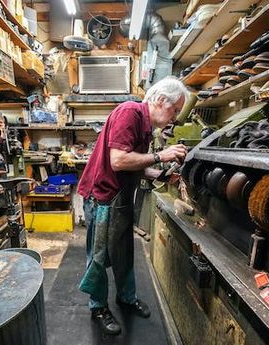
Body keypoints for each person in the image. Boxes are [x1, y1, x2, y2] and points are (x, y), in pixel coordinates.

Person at [77, 76, 189, 335]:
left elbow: (135, 164)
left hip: (122, 198)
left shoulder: (147, 128)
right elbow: (118, 161)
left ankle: (126, 297)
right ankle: (98, 307)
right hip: (103, 196)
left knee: (124, 252)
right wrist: (161, 155)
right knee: (98, 257)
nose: (175, 117)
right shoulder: (129, 113)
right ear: (161, 100)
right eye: (174, 110)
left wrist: (160, 173)